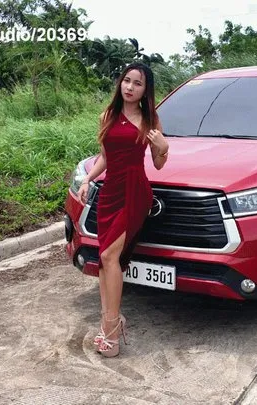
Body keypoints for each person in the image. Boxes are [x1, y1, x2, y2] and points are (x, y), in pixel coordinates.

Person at [75, 62, 169, 357]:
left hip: (134, 191)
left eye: (137, 83)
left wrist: (163, 146)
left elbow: (158, 163)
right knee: (105, 262)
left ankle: (112, 331)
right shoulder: (108, 115)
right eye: (126, 81)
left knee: (108, 255)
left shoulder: (150, 119)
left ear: (145, 90)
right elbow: (105, 157)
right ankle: (109, 324)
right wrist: (89, 179)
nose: (129, 87)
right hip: (110, 191)